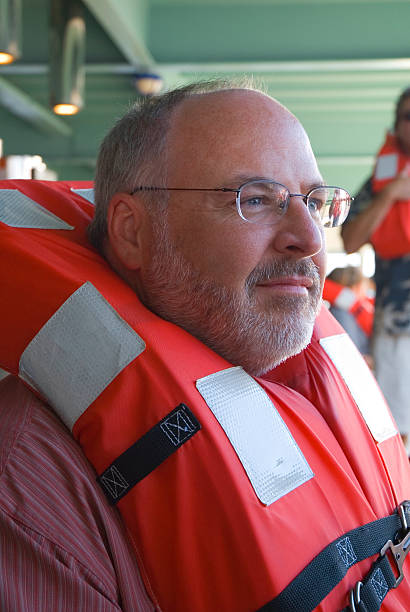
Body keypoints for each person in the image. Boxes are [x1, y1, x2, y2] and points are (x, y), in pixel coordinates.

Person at [0, 80, 409, 612]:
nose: (309, 239)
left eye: (315, 203)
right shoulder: (28, 491)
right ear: (132, 232)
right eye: (256, 200)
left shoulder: (296, 379)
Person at [342, 87, 410, 450]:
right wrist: (391, 194)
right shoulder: (381, 181)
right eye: (408, 116)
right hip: (399, 323)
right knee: (396, 430)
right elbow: (349, 240)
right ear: (397, 125)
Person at [323, 265, 374, 362]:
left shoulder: (338, 313)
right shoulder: (342, 315)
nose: (366, 292)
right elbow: (351, 356)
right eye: (364, 287)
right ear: (355, 287)